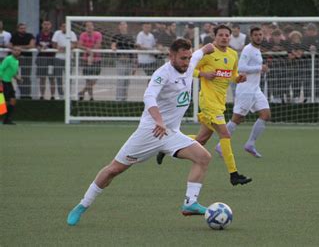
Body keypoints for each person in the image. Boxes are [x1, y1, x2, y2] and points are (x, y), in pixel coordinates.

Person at [66, 39, 215, 226]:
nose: (187, 62)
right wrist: (159, 120)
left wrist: (210, 46)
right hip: (150, 132)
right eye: (182, 58)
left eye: (188, 57)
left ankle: (190, 203)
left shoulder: (191, 61)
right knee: (113, 170)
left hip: (171, 133)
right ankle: (83, 205)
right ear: (171, 56)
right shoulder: (162, 74)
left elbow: (202, 51)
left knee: (203, 157)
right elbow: (149, 96)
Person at [157, 25, 252, 186]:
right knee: (225, 134)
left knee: (201, 140)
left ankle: (166, 146)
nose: (224, 37)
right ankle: (234, 174)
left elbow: (232, 75)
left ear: (230, 37)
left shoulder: (233, 54)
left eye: (226, 35)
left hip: (220, 103)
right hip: (208, 102)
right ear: (215, 37)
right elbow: (188, 69)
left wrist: (238, 78)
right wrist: (203, 74)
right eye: (220, 35)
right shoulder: (208, 53)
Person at [215, 27, 270, 158]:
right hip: (245, 89)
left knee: (266, 114)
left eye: (260, 34)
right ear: (251, 37)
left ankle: (250, 144)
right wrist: (259, 68)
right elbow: (241, 67)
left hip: (255, 89)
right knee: (237, 118)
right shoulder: (248, 49)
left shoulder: (257, 50)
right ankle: (220, 145)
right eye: (256, 35)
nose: (258, 37)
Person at [52, 22, 78, 99]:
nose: (64, 28)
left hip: (69, 58)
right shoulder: (57, 33)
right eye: (63, 26)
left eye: (66, 26)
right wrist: (58, 47)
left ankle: (68, 94)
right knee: (58, 77)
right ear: (60, 27)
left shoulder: (72, 33)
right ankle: (61, 95)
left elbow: (75, 44)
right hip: (58, 58)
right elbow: (54, 44)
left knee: (69, 77)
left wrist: (65, 48)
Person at [77, 21, 102, 101]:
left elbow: (98, 45)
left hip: (96, 60)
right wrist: (87, 49)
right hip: (85, 60)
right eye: (87, 26)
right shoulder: (83, 35)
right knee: (88, 80)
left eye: (91, 26)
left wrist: (91, 53)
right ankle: (91, 97)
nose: (89, 28)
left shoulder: (98, 34)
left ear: (93, 27)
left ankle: (82, 92)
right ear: (85, 27)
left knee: (94, 79)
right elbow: (79, 45)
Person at [111, 21, 135, 101]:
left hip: (129, 62)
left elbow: (133, 50)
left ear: (127, 26)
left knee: (126, 81)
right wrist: (114, 48)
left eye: (125, 24)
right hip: (120, 61)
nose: (123, 26)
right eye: (121, 25)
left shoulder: (130, 37)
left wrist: (135, 64)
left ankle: (124, 99)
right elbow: (113, 45)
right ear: (119, 26)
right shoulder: (116, 36)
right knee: (120, 80)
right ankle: (119, 99)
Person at [10, 23, 35, 99]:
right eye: (21, 28)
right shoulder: (14, 36)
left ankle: (27, 94)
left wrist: (18, 47)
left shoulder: (30, 35)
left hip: (27, 59)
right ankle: (21, 93)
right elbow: (10, 45)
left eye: (24, 28)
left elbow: (31, 45)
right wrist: (15, 48)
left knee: (26, 76)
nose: (23, 29)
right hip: (16, 59)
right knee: (16, 76)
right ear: (18, 29)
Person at [0, 46, 21, 124]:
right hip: (3, 81)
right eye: (15, 50)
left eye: (18, 50)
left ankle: (7, 119)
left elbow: (13, 72)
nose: (17, 51)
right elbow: (1, 68)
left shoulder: (17, 61)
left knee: (12, 100)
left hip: (9, 82)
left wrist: (17, 78)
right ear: (12, 51)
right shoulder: (8, 59)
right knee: (2, 101)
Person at [36, 20, 55, 100]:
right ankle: (42, 95)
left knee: (51, 78)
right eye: (44, 24)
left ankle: (52, 96)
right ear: (42, 25)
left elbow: (55, 45)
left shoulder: (53, 35)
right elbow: (35, 44)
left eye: (48, 24)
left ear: (51, 25)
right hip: (41, 59)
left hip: (51, 59)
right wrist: (38, 47)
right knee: (42, 78)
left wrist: (48, 47)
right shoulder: (38, 34)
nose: (46, 26)